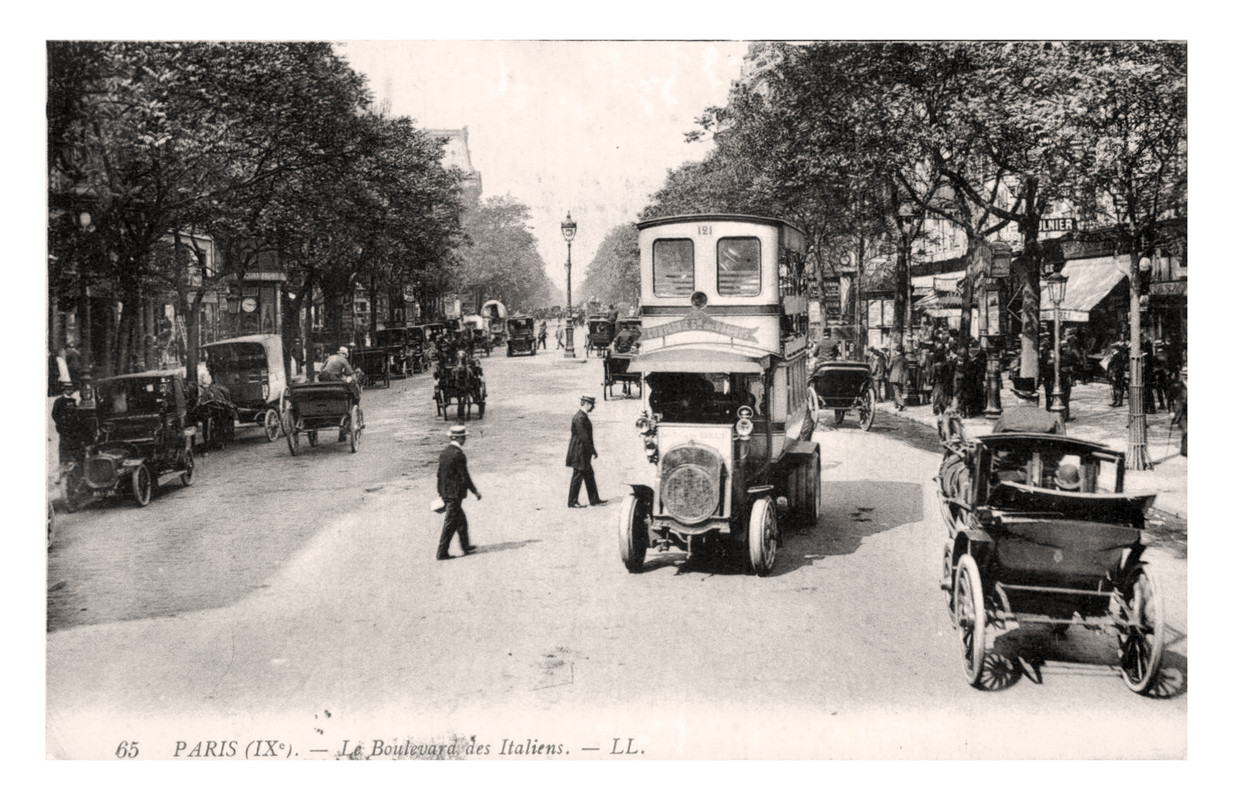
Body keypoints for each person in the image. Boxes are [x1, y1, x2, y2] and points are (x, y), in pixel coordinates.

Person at [436, 425, 481, 560]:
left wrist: (441, 492)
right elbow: (464, 476)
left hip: (446, 492)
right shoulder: (458, 454)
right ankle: (442, 553)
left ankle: (465, 546)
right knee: (450, 524)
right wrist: (475, 491)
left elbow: (439, 474)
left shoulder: (445, 452)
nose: (464, 440)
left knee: (461, 521)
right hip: (455, 495)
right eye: (463, 437)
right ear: (458, 438)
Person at [566, 394, 605, 508]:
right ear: (587, 404)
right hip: (579, 452)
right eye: (592, 405)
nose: (593, 407)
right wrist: (593, 451)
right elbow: (585, 437)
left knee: (589, 475)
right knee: (578, 476)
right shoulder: (580, 418)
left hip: (582, 452)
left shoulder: (582, 416)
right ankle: (572, 502)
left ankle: (594, 499)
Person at [52, 381, 87, 464]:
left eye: (71, 389)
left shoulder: (73, 401)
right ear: (64, 390)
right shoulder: (59, 401)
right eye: (68, 389)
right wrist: (61, 424)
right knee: (66, 453)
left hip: (74, 430)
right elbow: (54, 414)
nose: (70, 391)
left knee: (76, 451)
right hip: (65, 431)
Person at [888, 346, 909, 411]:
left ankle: (902, 404)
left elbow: (889, 367)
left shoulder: (893, 358)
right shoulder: (905, 359)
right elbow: (907, 369)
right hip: (902, 377)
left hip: (894, 376)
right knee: (900, 391)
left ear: (896, 351)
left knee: (896, 391)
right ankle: (898, 405)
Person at [1173, 368, 1187, 457]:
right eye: (1184, 374)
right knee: (1187, 430)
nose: (1186, 376)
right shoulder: (1177, 386)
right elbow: (1170, 399)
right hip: (1181, 413)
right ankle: (1185, 451)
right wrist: (1171, 411)